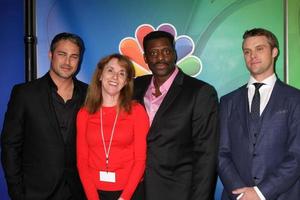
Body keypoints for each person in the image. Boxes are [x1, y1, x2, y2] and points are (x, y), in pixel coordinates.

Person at [133, 30, 219, 200]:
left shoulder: (200, 92)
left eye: (166, 51)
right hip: (136, 191)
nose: (160, 58)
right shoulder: (134, 87)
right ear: (145, 58)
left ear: (174, 53)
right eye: (153, 53)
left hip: (178, 192)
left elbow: (206, 155)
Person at [1, 32, 87, 199]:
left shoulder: (90, 94)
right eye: (62, 54)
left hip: (78, 192)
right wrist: (17, 193)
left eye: (74, 56)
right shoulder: (25, 93)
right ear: (50, 55)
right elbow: (10, 146)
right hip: (36, 193)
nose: (67, 62)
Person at [218, 28, 300, 200]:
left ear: (274, 52)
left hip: (282, 195)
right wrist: (241, 194)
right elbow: (221, 153)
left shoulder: (295, 99)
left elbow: (297, 155)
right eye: (247, 51)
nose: (252, 56)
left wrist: (261, 193)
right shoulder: (227, 101)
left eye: (259, 49)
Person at [76, 53, 149, 200]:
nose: (115, 77)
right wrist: (92, 197)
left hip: (130, 192)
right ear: (100, 75)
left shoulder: (137, 111)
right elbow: (82, 161)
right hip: (95, 192)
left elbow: (141, 160)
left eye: (121, 73)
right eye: (110, 70)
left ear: (126, 81)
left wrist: (124, 197)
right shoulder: (84, 113)